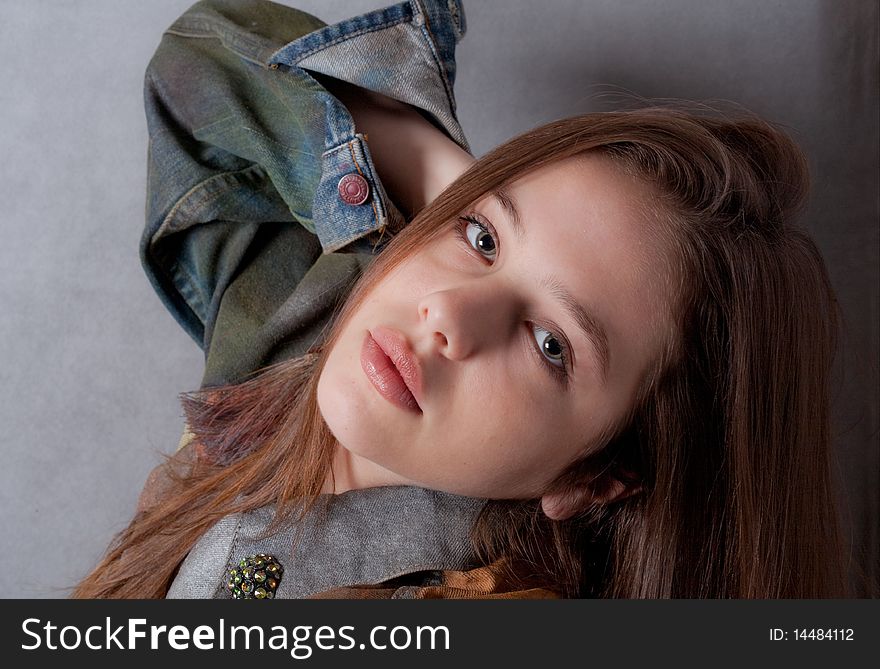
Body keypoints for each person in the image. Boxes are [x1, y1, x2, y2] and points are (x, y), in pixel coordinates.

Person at [73, 0, 849, 599]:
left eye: (551, 344)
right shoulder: (298, 335)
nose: (446, 314)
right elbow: (201, 62)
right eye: (479, 239)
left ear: (595, 478)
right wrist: (455, 192)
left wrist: (484, 222)